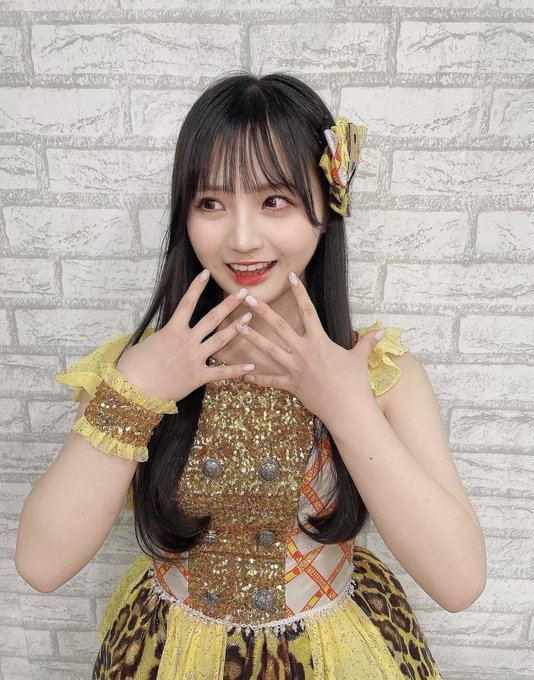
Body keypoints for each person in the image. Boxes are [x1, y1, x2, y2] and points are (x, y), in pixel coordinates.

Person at [16, 71, 486, 679]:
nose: (241, 238)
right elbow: (41, 565)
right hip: (168, 653)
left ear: (326, 207)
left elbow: (459, 581)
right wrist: (135, 395)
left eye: (274, 201)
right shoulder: (136, 369)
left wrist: (347, 407)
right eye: (211, 203)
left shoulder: (379, 373)